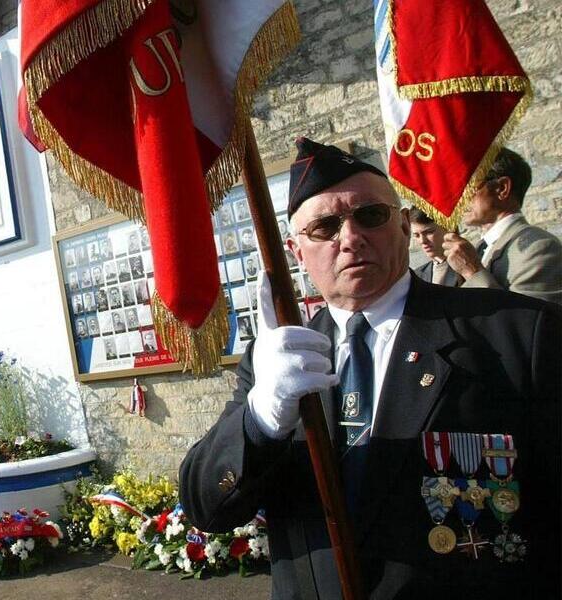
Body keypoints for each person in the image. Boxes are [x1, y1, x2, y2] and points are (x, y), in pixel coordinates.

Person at [179, 138, 561, 598]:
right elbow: (206, 506)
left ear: (403, 226)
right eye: (324, 227)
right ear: (296, 251)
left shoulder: (516, 332)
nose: (351, 237)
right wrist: (261, 419)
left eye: (370, 215)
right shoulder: (276, 359)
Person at [442, 147, 562, 304]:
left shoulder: (539, 248)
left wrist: (472, 272)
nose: (460, 196)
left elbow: (526, 322)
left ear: (502, 188)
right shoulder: (479, 249)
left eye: (468, 185)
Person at [408, 207, 460, 287]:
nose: (422, 241)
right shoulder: (416, 276)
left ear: (449, 228)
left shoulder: (470, 265)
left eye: (429, 232)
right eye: (417, 235)